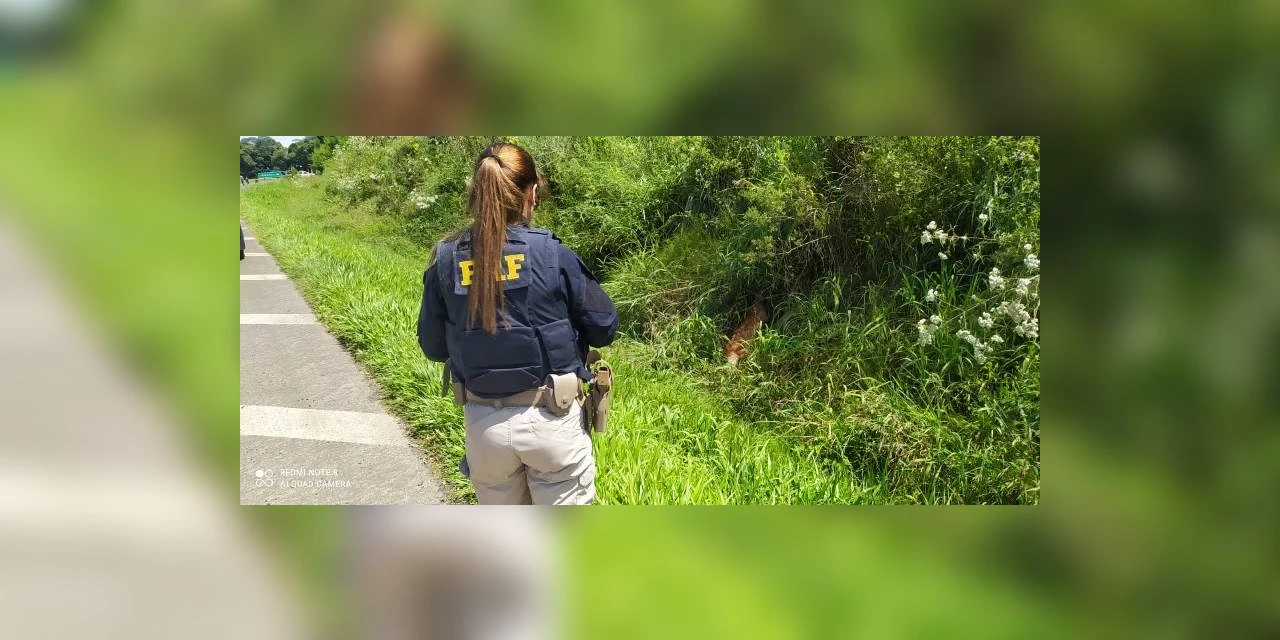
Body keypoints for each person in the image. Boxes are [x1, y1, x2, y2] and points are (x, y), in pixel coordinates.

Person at [417, 142, 618, 505]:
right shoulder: (552, 254)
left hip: (484, 430)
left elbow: (432, 346)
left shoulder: (446, 259)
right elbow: (604, 327)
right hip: (552, 420)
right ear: (532, 193)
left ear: (478, 193)